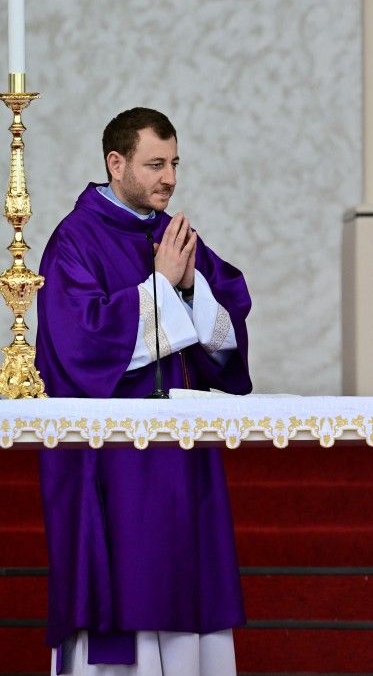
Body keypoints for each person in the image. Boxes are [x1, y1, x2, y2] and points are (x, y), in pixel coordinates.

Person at [34, 107, 252, 675]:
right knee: (126, 579)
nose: (170, 178)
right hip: (113, 466)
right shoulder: (74, 241)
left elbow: (228, 330)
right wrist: (160, 288)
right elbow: (78, 345)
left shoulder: (172, 237)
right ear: (116, 163)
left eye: (174, 163)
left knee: (187, 591)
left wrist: (189, 286)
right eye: (155, 164)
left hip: (181, 461)